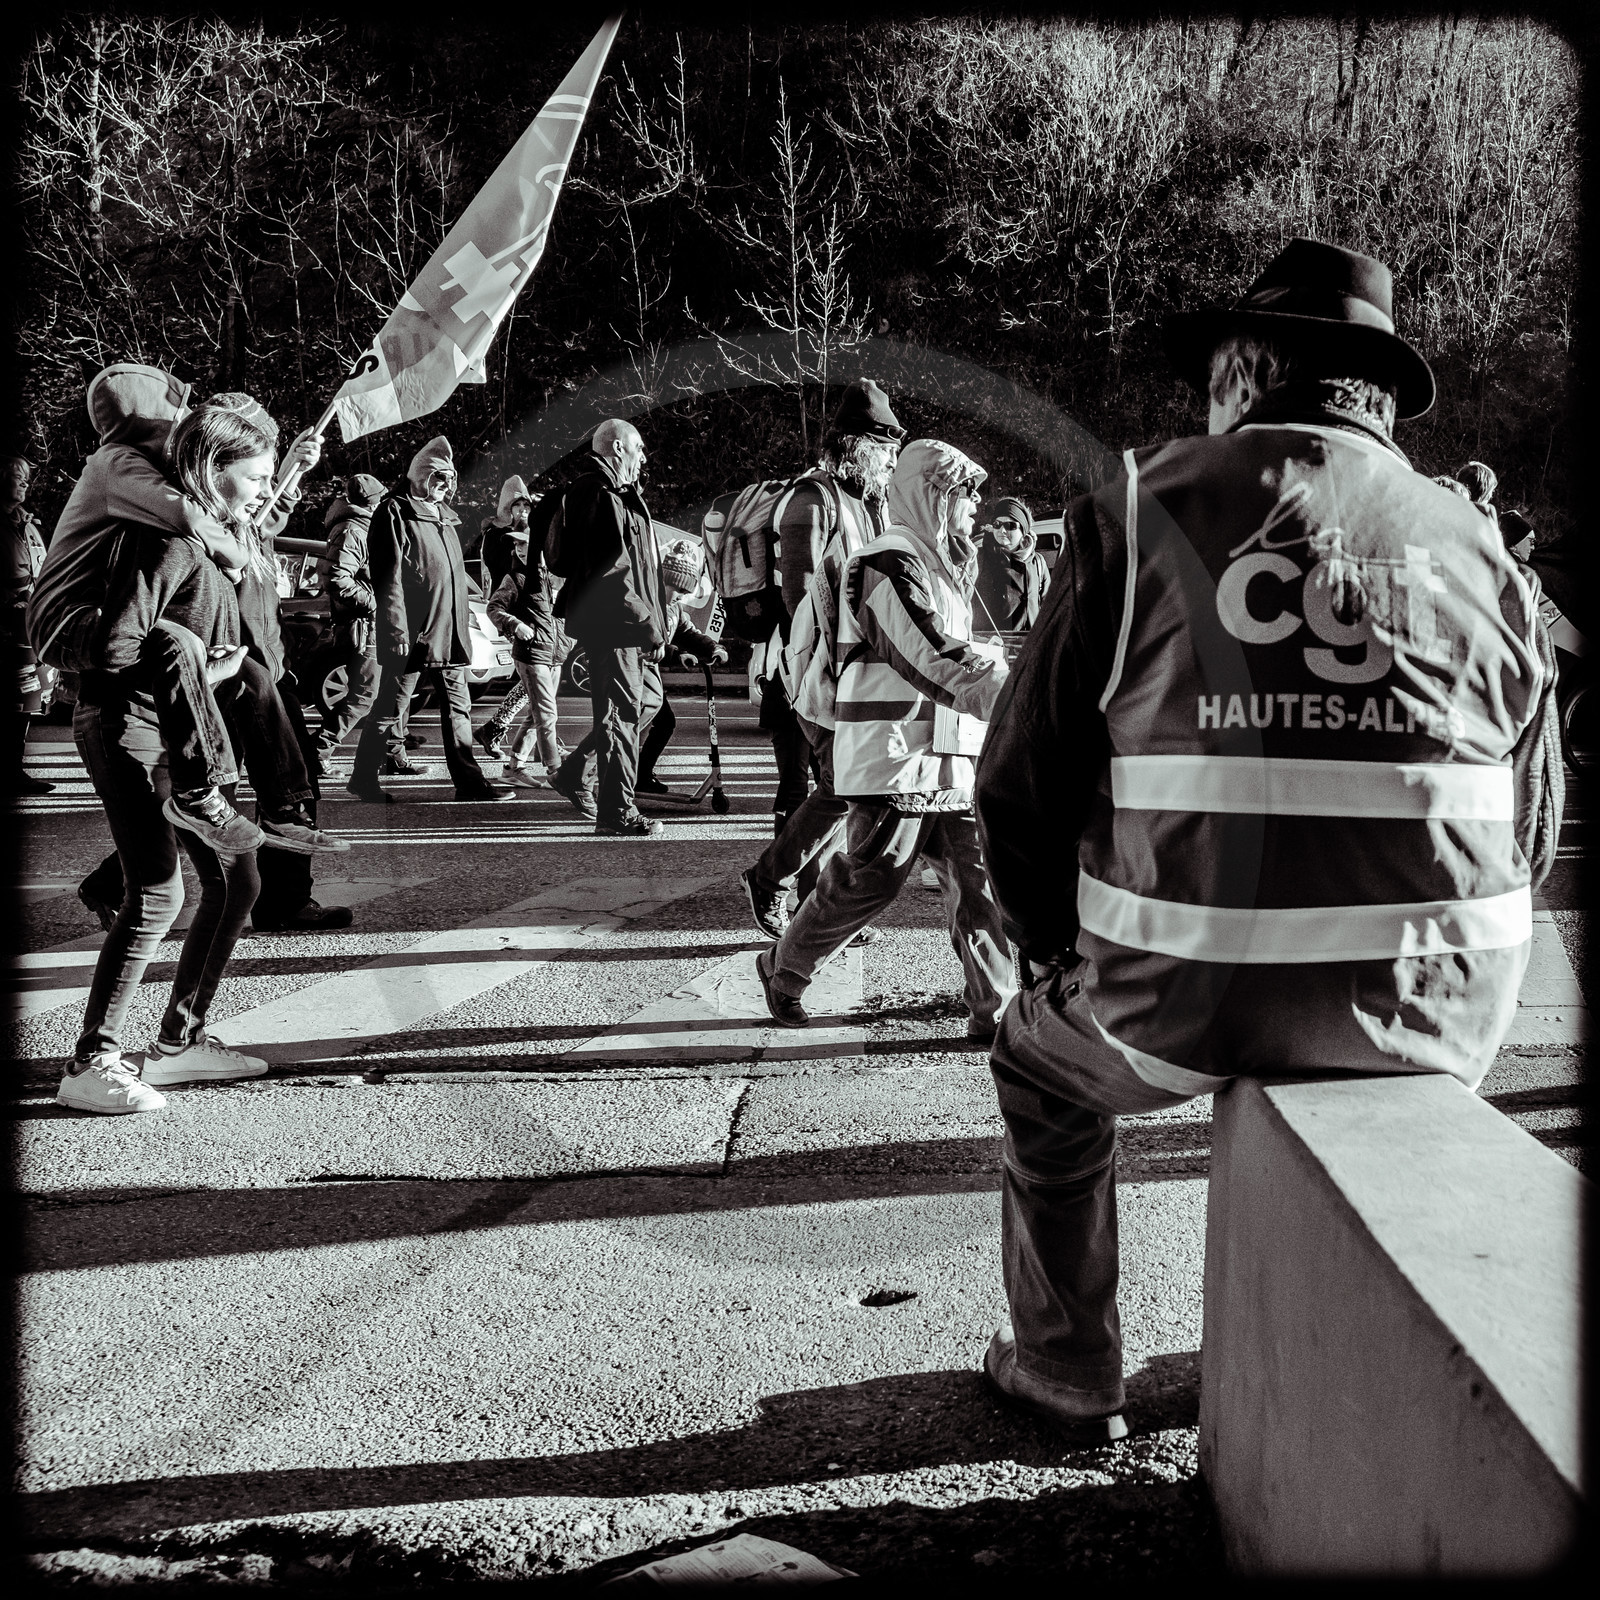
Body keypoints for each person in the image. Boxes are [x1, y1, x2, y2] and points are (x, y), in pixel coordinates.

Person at [972, 237, 1565, 1444]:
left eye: (1211, 375)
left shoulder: (1140, 504)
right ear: (1381, 403)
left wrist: (1046, 954)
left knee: (1035, 1066)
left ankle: (1067, 1367)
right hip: (1443, 1004)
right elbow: (1537, 825)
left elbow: (1019, 784)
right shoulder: (1483, 549)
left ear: (1246, 371)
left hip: (1186, 1001)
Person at [57, 398, 306, 1113]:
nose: (264, 491)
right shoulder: (163, 541)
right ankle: (90, 1064)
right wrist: (214, 674)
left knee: (238, 879)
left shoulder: (216, 535)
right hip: (123, 725)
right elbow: (111, 653)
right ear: (212, 470)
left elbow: (256, 535)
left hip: (173, 730)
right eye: (255, 477)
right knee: (158, 893)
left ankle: (178, 1044)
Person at [755, 438, 1015, 1038]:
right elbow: (927, 652)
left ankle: (994, 1009)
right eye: (965, 497)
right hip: (894, 756)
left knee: (978, 882)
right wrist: (1011, 693)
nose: (975, 510)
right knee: (873, 877)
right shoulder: (887, 560)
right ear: (935, 495)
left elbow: (945, 654)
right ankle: (784, 968)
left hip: (946, 758)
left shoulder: (934, 562)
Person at [740, 379, 905, 938]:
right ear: (859, 446)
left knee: (850, 787)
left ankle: (811, 897)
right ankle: (773, 881)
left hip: (855, 673)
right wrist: (822, 678)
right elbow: (798, 599)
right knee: (845, 787)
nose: (891, 461)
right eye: (886, 449)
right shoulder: (813, 501)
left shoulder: (867, 502)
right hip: (819, 675)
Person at [348, 437, 509, 804]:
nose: (446, 485)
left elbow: (448, 578)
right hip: (414, 633)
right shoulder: (394, 512)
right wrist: (396, 628)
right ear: (420, 476)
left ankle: (470, 784)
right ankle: (362, 778)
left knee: (458, 706)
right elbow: (387, 576)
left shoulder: (445, 517)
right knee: (390, 707)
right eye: (439, 477)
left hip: (448, 631)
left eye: (450, 478)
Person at [547, 418, 667, 836]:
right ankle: (617, 812)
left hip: (625, 626)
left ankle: (575, 770)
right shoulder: (598, 493)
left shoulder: (614, 492)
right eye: (638, 447)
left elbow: (638, 568)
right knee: (620, 715)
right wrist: (647, 623)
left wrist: (662, 625)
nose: (643, 456)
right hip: (614, 627)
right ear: (617, 448)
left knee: (646, 701)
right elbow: (612, 573)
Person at [485, 512, 570, 788]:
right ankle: (556, 773)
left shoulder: (555, 577)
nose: (519, 549)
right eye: (517, 545)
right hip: (532, 654)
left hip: (554, 654)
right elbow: (494, 608)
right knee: (547, 715)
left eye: (525, 544)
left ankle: (513, 768)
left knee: (537, 714)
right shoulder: (516, 578)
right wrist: (515, 625)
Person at [637, 540, 727, 795]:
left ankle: (641, 774)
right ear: (662, 582)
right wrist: (678, 656)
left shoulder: (675, 608)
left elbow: (688, 632)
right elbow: (650, 643)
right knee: (634, 726)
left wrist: (713, 648)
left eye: (684, 590)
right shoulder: (649, 606)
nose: (680, 594)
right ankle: (614, 774)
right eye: (676, 587)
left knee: (664, 723)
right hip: (637, 674)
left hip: (650, 677)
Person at [312, 472, 387, 774]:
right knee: (363, 696)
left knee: (385, 693)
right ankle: (317, 751)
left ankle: (394, 752)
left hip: (373, 624)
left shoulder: (361, 526)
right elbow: (337, 578)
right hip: (366, 625)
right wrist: (376, 604)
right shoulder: (352, 530)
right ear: (372, 502)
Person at [474, 475, 538, 761]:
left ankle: (539, 736)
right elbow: (501, 570)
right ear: (507, 508)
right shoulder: (496, 535)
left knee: (536, 678)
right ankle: (498, 728)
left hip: (534, 609)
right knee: (534, 677)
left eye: (527, 505)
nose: (524, 510)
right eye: (518, 505)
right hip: (511, 608)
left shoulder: (530, 530)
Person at [5, 455, 54, 796]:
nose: (24, 484)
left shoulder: (28, 526)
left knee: (25, 700)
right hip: (5, 628)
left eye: (26, 479)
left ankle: (13, 771)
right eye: (15, 477)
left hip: (29, 629)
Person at [972, 495, 1049, 635]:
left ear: (1023, 531)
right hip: (993, 648)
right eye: (997, 524)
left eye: (1010, 526)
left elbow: (1048, 607)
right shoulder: (979, 558)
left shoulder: (1038, 562)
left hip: (1029, 646)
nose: (1002, 531)